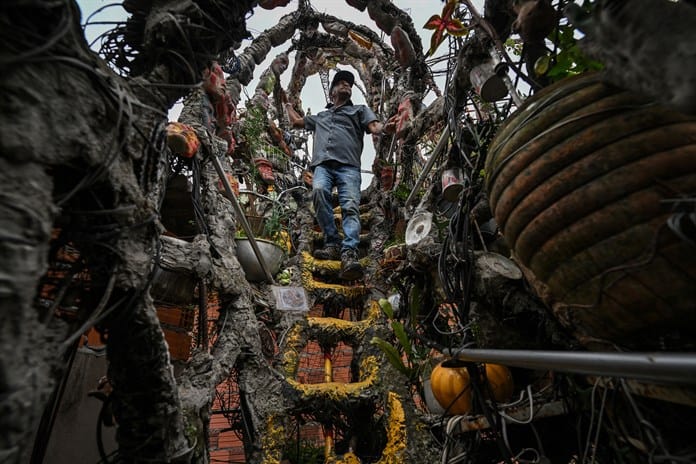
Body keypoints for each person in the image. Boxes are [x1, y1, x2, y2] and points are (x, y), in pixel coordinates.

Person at [285, 69, 395, 280]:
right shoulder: (321, 116)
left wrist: (386, 128)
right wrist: (288, 105)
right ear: (332, 91)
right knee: (318, 192)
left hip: (348, 167)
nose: (346, 85)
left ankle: (349, 252)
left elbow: (374, 126)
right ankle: (332, 243)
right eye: (341, 83)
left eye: (348, 84)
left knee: (350, 206)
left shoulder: (359, 111)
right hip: (323, 166)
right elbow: (297, 122)